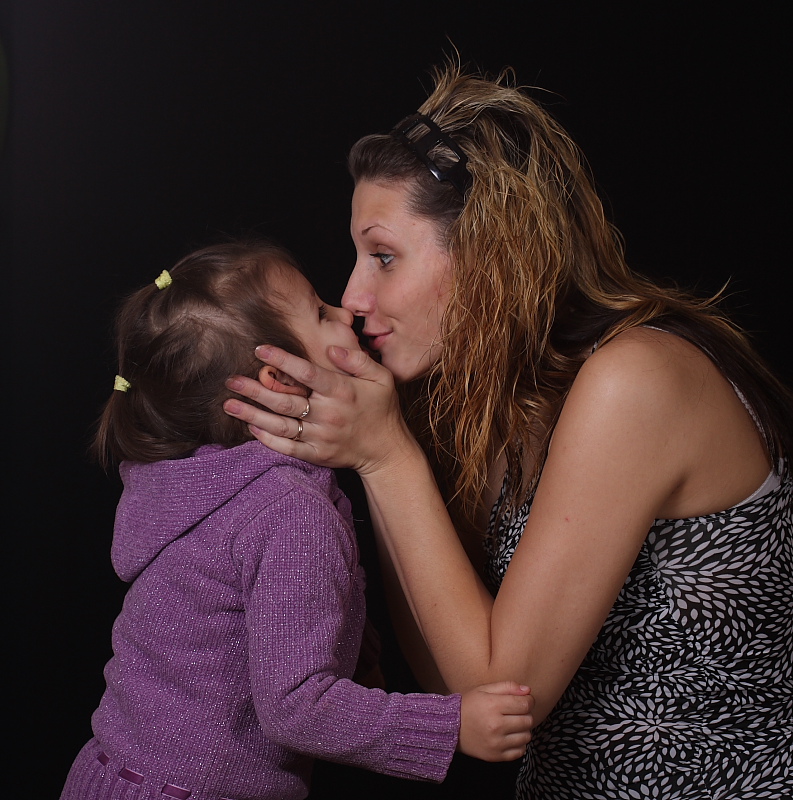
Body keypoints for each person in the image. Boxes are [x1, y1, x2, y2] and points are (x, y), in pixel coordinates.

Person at [222, 63, 793, 799]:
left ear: (491, 255)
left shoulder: (638, 379)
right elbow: (449, 684)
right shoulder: (481, 406)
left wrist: (385, 457)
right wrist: (379, 453)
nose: (353, 295)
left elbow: (507, 690)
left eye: (384, 255)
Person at [59, 239, 535, 800]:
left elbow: (269, 614)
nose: (344, 311)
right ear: (280, 379)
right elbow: (295, 709)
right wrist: (450, 727)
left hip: (109, 776)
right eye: (320, 312)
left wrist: (360, 657)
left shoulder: (190, 485)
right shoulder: (289, 511)